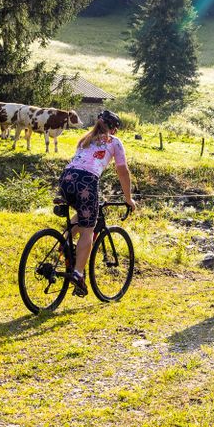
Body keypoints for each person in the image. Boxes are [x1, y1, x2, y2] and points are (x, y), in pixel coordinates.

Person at [58, 109, 136, 296]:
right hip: (86, 182)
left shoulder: (85, 139)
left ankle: (64, 243)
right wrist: (128, 198)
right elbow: (122, 171)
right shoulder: (114, 142)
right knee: (88, 230)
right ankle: (78, 274)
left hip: (66, 179)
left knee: (82, 215)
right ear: (114, 129)